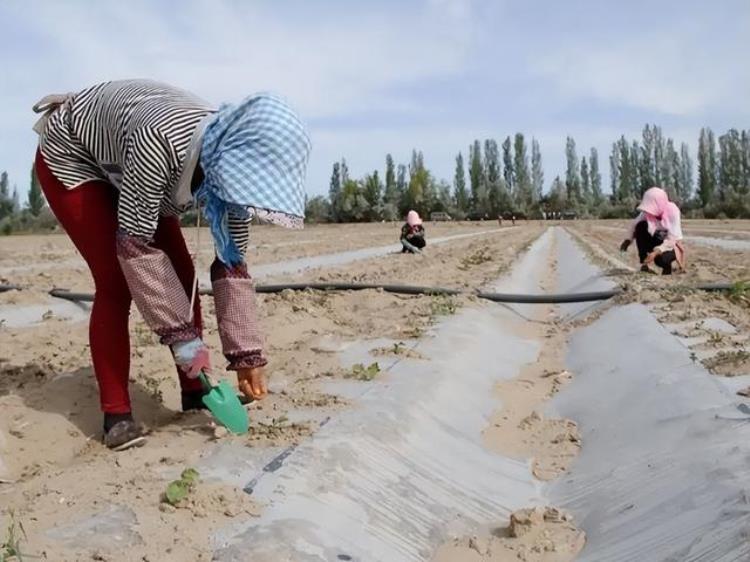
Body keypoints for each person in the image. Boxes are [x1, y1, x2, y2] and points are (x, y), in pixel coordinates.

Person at [32, 80, 311, 450]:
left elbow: (233, 264)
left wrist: (246, 354)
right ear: (228, 160)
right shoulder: (160, 141)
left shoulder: (227, 164)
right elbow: (135, 246)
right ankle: (116, 416)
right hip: (74, 154)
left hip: (134, 160)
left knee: (183, 276)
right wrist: (185, 342)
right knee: (117, 281)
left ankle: (196, 391)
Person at [619, 187, 685, 275]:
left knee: (660, 260)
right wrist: (627, 241)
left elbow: (672, 240)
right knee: (640, 226)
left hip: (671, 244)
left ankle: (667, 267)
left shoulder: (673, 212)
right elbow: (635, 224)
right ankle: (645, 265)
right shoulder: (648, 213)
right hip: (656, 237)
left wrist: (655, 253)